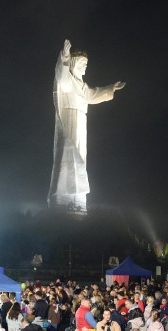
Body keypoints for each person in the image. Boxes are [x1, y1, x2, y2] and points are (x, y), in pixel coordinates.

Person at [47, 38, 126, 211]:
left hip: (81, 123)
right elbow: (61, 76)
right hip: (68, 121)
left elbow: (94, 94)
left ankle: (78, 199)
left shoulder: (82, 87)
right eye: (82, 63)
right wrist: (65, 57)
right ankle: (62, 198)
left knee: (80, 159)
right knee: (67, 156)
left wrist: (110, 88)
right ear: (74, 63)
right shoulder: (67, 83)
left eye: (86, 64)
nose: (85, 67)